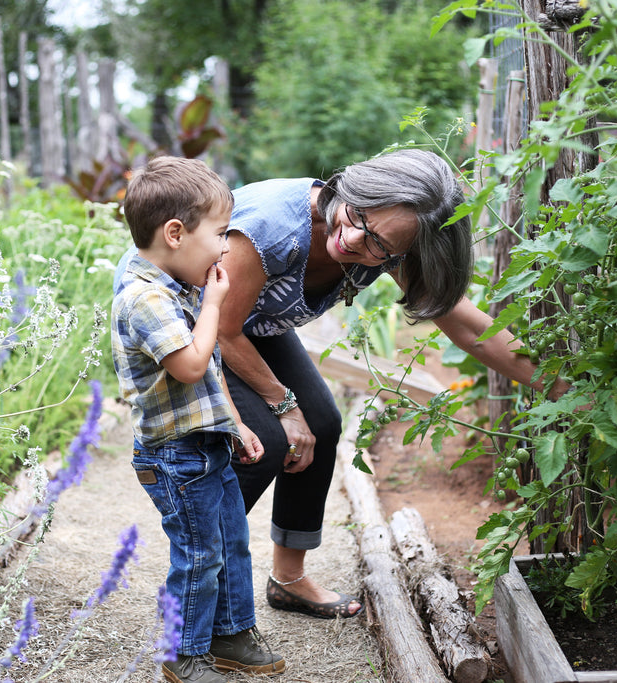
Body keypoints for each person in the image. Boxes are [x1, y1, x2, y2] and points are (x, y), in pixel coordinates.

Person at [216, 148, 569, 619]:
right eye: (357, 215)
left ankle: (289, 579)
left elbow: (469, 330)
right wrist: (283, 405)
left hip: (251, 327)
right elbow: (220, 329)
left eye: (380, 245)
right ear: (353, 189)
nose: (354, 239)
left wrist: (559, 385)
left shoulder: (393, 242)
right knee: (261, 439)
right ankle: (201, 584)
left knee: (320, 421)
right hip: (186, 327)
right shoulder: (275, 229)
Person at [111, 156, 286, 683]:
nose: (226, 247)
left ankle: (231, 632)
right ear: (175, 233)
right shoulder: (145, 298)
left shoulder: (176, 286)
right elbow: (189, 364)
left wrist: (236, 424)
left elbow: (209, 372)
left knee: (231, 542)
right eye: (219, 233)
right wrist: (214, 306)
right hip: (175, 455)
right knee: (199, 551)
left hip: (205, 443)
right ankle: (181, 653)